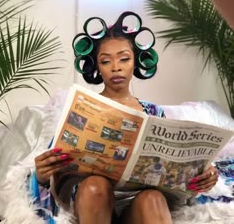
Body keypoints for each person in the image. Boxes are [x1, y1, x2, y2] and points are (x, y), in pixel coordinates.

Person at [33, 11, 219, 224]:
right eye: (105, 61)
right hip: (90, 200)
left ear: (136, 62)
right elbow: (53, 168)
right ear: (97, 67)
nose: (116, 67)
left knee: (153, 198)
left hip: (138, 202)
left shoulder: (154, 113)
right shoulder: (82, 107)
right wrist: (41, 174)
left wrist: (203, 174)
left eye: (124, 58)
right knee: (96, 186)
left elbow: (175, 171)